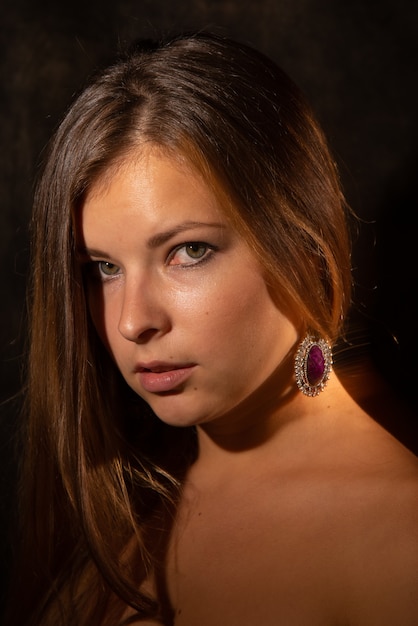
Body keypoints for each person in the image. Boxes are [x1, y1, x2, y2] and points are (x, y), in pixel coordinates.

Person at [5, 31, 418, 626]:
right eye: (102, 268)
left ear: (301, 245)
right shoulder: (119, 493)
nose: (132, 321)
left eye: (189, 251)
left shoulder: (399, 540)